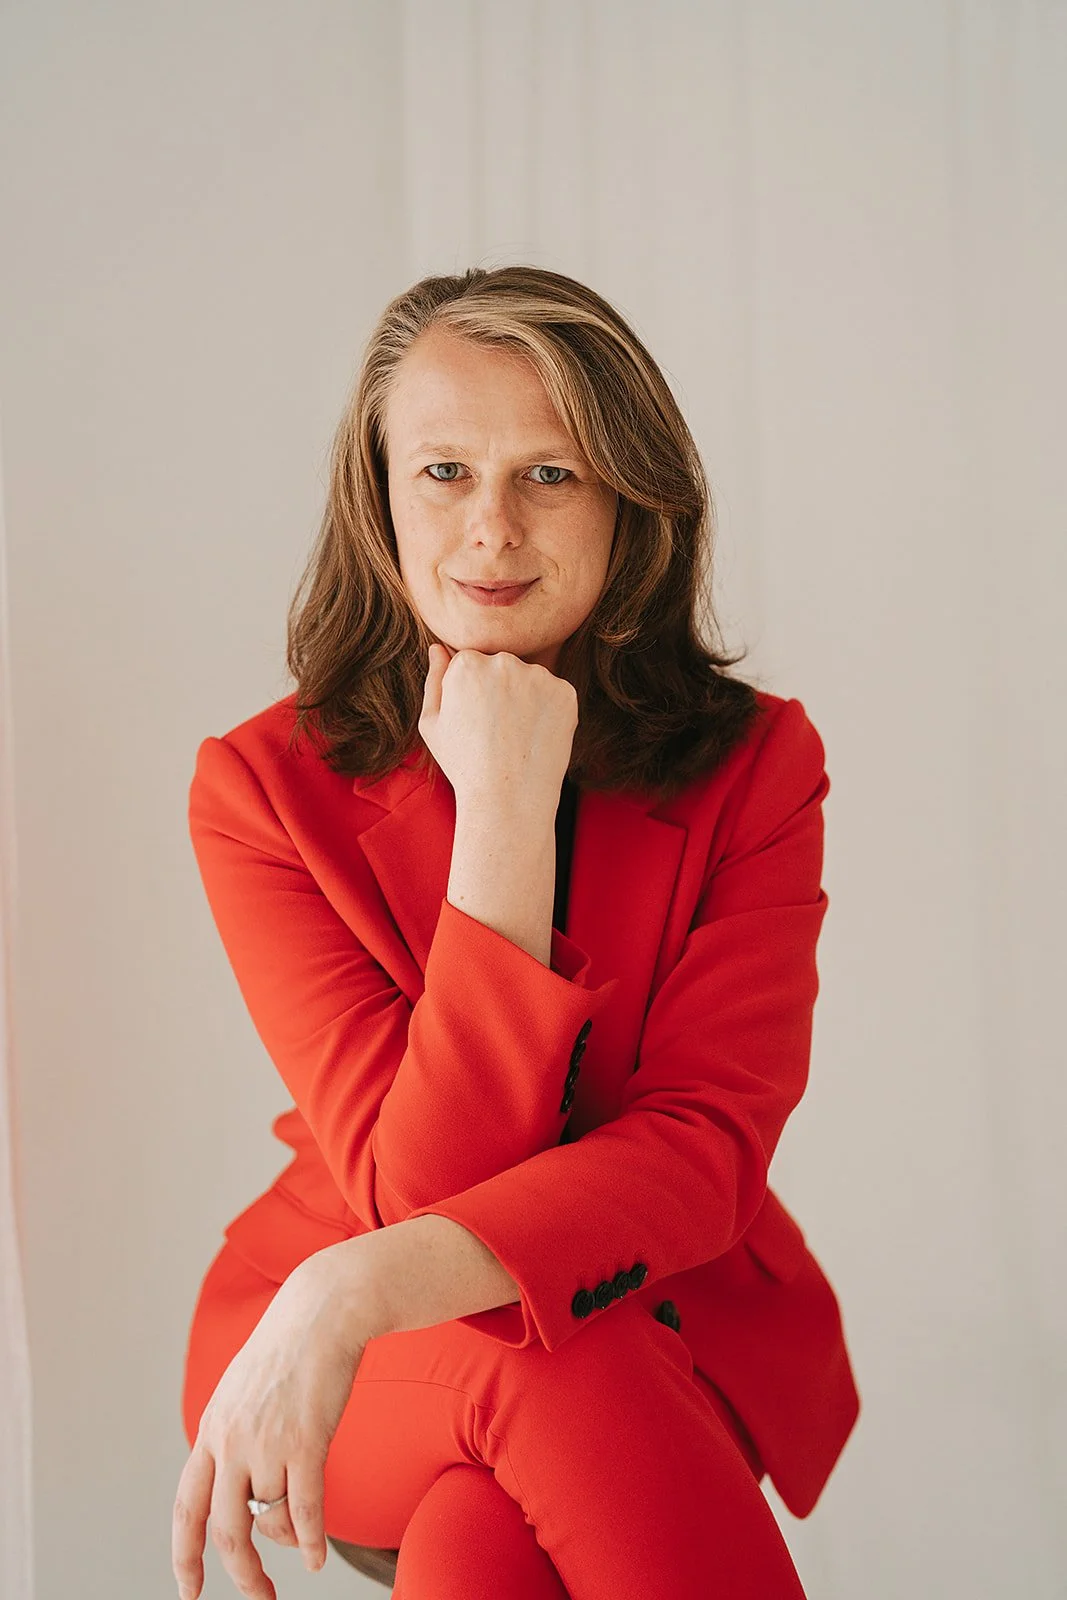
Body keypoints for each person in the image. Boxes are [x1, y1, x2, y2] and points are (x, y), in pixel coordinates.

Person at [171, 265, 860, 1600]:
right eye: (443, 473)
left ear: (629, 503)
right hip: (358, 1370)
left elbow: (705, 1145)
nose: (491, 527)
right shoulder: (262, 789)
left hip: (595, 1304)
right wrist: (501, 810)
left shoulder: (756, 764)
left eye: (550, 474)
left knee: (480, 1547)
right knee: (567, 1359)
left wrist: (351, 1286)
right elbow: (427, 1188)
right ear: (378, 497)